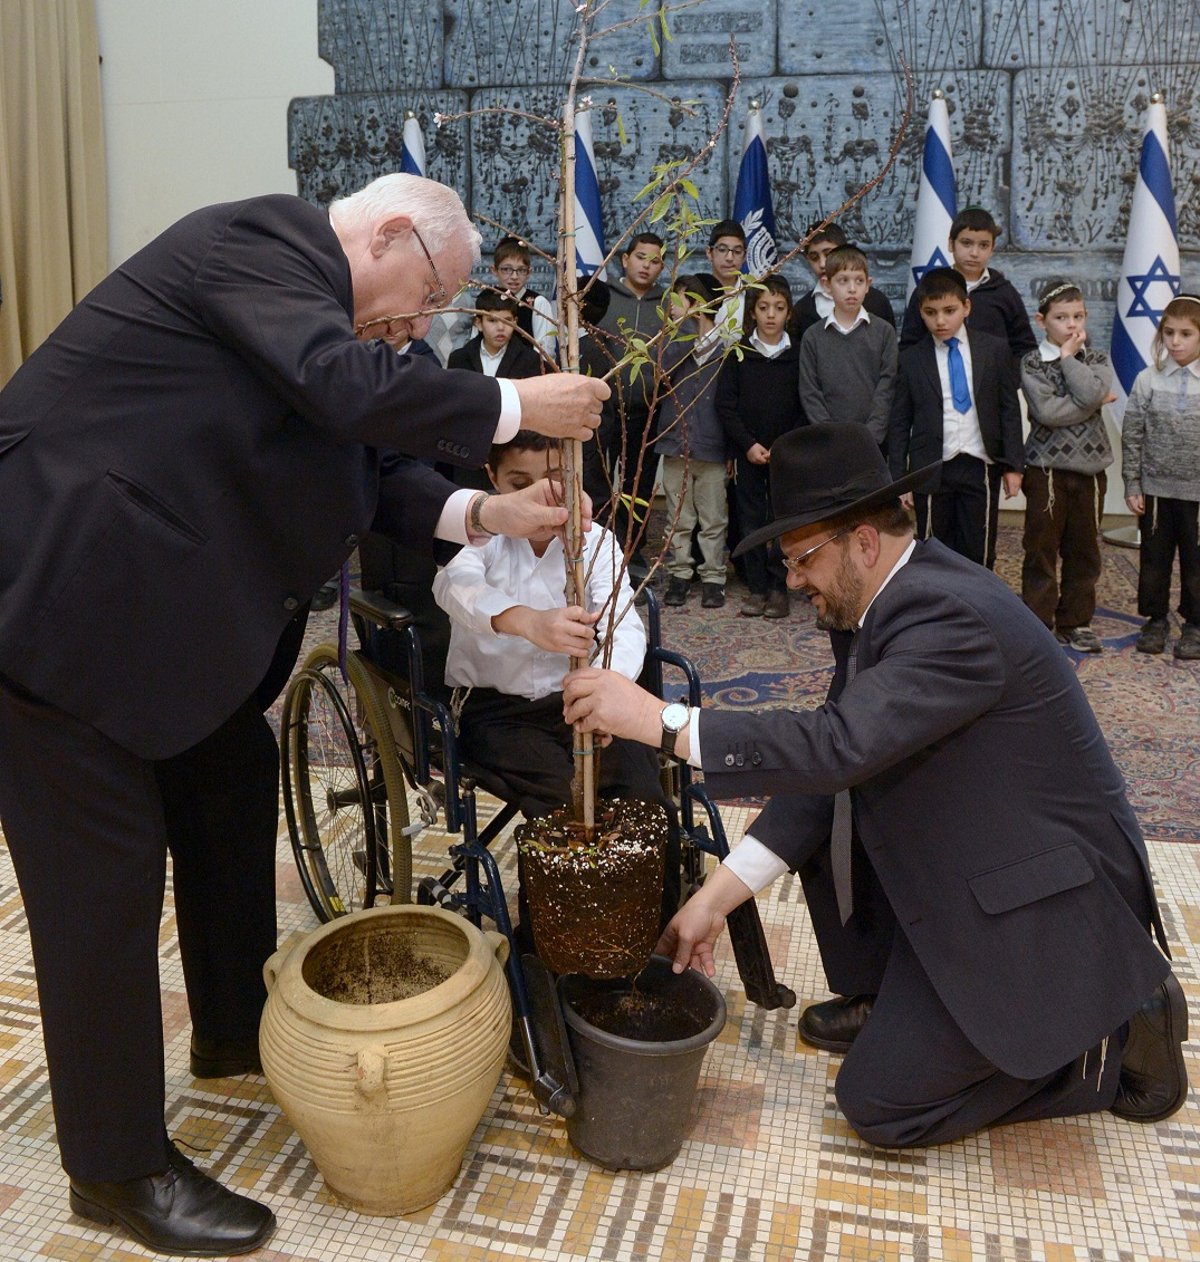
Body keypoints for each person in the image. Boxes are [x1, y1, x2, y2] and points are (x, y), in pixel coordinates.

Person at [0, 172, 608, 1256]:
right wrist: (518, 404)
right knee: (103, 881)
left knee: (231, 782)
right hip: (62, 603)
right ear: (384, 234)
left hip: (166, 625)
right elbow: (342, 388)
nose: (422, 328)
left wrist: (485, 507)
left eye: (438, 316)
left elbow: (370, 468)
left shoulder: (325, 337)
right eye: (428, 297)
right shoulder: (263, 241)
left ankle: (233, 1029)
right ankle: (115, 1166)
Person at [562, 421, 1187, 1150]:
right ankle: (892, 993)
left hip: (1045, 901)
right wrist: (713, 899)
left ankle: (1107, 1031)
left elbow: (836, 748)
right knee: (847, 804)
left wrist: (659, 719)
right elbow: (829, 771)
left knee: (881, 1105)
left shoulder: (949, 615)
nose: (793, 581)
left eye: (801, 558)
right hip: (978, 855)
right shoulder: (886, 600)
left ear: (863, 542)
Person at [431, 430, 680, 943]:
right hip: (497, 711)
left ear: (574, 480)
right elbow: (455, 589)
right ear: (493, 481)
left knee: (647, 805)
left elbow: (622, 623)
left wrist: (610, 690)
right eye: (517, 483)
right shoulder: (479, 539)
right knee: (564, 813)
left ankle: (646, 939)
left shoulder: (594, 541)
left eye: (553, 482)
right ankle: (558, 946)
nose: (539, 497)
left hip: (582, 701)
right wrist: (524, 621)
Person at [889, 267, 1024, 570]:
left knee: (979, 548)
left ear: (966, 307)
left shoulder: (994, 349)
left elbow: (1008, 409)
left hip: (979, 463)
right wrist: (901, 479)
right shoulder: (912, 359)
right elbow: (899, 422)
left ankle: (976, 611)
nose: (940, 321)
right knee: (933, 549)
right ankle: (935, 612)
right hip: (932, 467)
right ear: (920, 313)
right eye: (930, 312)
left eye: (949, 311)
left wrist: (1014, 465)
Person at [1019, 280, 1115, 654]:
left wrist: (1070, 360)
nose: (1071, 325)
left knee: (1084, 549)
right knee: (1041, 546)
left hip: (1090, 472)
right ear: (1042, 321)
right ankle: (1039, 621)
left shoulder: (1097, 358)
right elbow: (1046, 411)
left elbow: (1090, 392)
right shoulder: (1031, 361)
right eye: (1061, 318)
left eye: (1077, 316)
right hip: (1046, 470)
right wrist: (1090, 403)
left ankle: (1076, 621)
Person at [716, 275, 805, 618]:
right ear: (752, 312)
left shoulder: (797, 353)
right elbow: (725, 405)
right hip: (747, 453)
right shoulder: (739, 353)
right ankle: (756, 587)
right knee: (750, 521)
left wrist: (785, 446)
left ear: (788, 313)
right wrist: (748, 444)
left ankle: (778, 586)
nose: (771, 315)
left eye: (779, 308)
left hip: (786, 455)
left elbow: (805, 404)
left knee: (782, 521)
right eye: (764, 307)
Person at [1121, 293, 1200, 660]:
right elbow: (1133, 434)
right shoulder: (1147, 379)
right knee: (1155, 559)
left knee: (1196, 561)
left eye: (1186, 334)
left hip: (1197, 495)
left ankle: (1195, 624)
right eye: (1169, 333)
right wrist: (1132, 483)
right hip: (1154, 490)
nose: (1176, 342)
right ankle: (1154, 619)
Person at [655, 274, 730, 610]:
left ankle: (714, 576)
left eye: (679, 299)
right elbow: (659, 371)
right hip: (676, 444)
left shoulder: (726, 348)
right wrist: (684, 334)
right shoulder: (671, 342)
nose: (671, 306)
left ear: (698, 304)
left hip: (712, 447)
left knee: (713, 517)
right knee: (678, 518)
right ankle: (680, 573)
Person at [598, 232, 666, 565]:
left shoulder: (669, 304)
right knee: (597, 478)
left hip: (648, 410)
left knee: (636, 484)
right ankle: (595, 550)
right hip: (603, 407)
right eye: (641, 257)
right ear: (625, 260)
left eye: (655, 261)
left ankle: (631, 552)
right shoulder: (604, 297)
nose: (646, 266)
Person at [898, 207, 1037, 358]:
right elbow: (909, 345)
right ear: (951, 244)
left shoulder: (1004, 292)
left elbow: (1025, 348)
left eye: (983, 245)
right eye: (966, 243)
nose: (974, 253)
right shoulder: (930, 288)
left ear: (992, 248)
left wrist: (1007, 377)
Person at [797, 245, 898, 445]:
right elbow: (810, 391)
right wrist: (829, 434)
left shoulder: (884, 332)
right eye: (843, 281)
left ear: (868, 285)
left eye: (859, 281)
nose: (852, 289)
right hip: (828, 443)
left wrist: (870, 435)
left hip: (872, 443)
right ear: (827, 284)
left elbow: (887, 387)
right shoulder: (813, 337)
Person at [790, 221, 896, 342]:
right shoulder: (802, 310)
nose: (822, 264)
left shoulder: (877, 301)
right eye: (814, 258)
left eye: (829, 253)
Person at [448, 288, 544, 379]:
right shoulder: (459, 359)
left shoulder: (530, 360)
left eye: (507, 320)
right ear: (479, 323)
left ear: (515, 323)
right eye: (492, 320)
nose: (501, 328)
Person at [492, 234, 557, 360]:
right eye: (506, 269)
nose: (514, 276)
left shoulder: (538, 303)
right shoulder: (487, 300)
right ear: (494, 270)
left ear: (529, 272)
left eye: (521, 270)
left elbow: (544, 352)